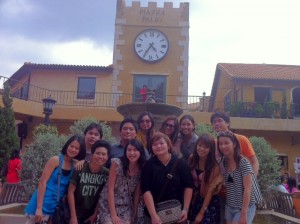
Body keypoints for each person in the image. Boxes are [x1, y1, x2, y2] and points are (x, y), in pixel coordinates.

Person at [25, 135, 86, 224]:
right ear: (67, 145)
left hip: (55, 207)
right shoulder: (55, 160)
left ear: (80, 151)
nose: (73, 149)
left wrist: (82, 161)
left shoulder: (75, 165)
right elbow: (42, 182)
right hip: (42, 203)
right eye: (71, 146)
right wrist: (39, 208)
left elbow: (89, 164)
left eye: (77, 148)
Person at [141, 132, 193, 224]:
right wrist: (153, 215)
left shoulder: (180, 163)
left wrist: (185, 209)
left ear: (168, 145)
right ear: (152, 148)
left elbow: (188, 186)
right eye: (155, 144)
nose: (158, 146)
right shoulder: (148, 165)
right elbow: (146, 190)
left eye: (161, 143)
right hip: (155, 214)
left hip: (177, 213)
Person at [98, 139, 146, 224]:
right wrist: (113, 215)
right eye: (129, 150)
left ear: (141, 152)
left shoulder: (141, 169)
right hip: (108, 204)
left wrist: (134, 214)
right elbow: (110, 189)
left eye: (135, 150)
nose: (131, 153)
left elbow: (136, 194)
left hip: (125, 205)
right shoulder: (117, 163)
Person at [217, 130, 261, 224]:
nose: (223, 146)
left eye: (226, 143)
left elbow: (248, 189)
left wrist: (244, 213)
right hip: (230, 205)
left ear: (234, 144)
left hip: (245, 207)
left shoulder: (243, 162)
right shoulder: (224, 162)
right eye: (220, 144)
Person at [68, 140, 110, 224]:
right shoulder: (81, 167)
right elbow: (70, 191)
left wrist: (95, 214)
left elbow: (102, 196)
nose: (100, 157)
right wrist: (73, 216)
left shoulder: (106, 173)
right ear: (92, 154)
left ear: (108, 157)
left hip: (90, 216)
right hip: (75, 213)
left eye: (103, 154)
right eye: (97, 153)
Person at [210, 111, 259, 176]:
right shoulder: (214, 143)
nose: (216, 123)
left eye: (219, 121)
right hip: (225, 182)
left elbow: (254, 162)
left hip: (243, 180)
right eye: (214, 122)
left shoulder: (241, 139)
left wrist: (252, 181)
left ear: (227, 123)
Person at [188, 134, 222, 224]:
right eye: (199, 145)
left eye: (205, 147)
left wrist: (201, 213)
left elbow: (210, 191)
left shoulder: (215, 166)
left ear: (210, 149)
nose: (201, 149)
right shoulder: (192, 159)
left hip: (209, 201)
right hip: (194, 199)